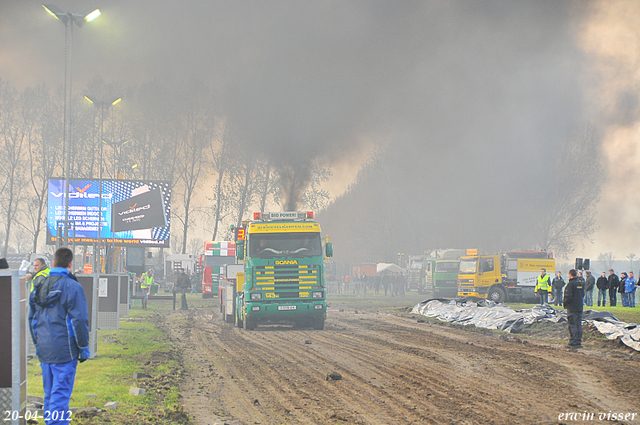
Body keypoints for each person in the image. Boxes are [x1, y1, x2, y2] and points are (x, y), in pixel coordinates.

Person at [28, 247, 90, 424]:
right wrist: (84, 348)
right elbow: (79, 320)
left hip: (45, 349)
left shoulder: (38, 286)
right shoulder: (73, 287)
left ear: (53, 263)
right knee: (60, 396)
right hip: (65, 350)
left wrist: (38, 344)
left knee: (50, 395)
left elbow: (31, 318)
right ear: (70, 264)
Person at [563, 268, 584, 348]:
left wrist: (565, 304)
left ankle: (573, 342)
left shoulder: (570, 285)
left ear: (570, 275)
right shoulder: (580, 284)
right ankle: (578, 341)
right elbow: (582, 295)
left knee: (572, 324)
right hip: (579, 307)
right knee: (578, 324)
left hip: (572, 307)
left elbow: (568, 297)